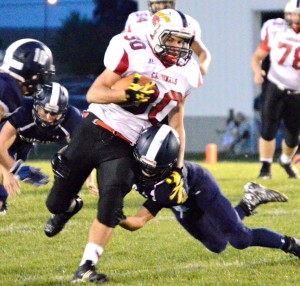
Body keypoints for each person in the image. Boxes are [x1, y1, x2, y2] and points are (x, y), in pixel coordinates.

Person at [44, 8, 201, 283]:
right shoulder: (132, 50)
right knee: (55, 203)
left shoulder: (187, 71)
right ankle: (68, 208)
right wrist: (123, 94)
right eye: (172, 39)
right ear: (155, 34)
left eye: (182, 41)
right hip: (95, 127)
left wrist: (177, 169)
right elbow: (94, 93)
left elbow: (177, 123)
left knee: (112, 202)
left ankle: (86, 267)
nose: (178, 47)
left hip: (128, 144)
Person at [118, 124, 300, 261]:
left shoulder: (171, 183)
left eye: (153, 169)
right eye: (143, 166)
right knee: (218, 244)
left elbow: (141, 218)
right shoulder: (129, 167)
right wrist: (116, 217)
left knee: (240, 238)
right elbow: (137, 221)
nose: (145, 172)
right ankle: (249, 202)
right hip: (181, 205)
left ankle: (292, 244)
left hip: (201, 188)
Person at [0, 82, 83, 215]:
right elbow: (1, 146)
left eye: (54, 113)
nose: (49, 118)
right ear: (37, 105)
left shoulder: (73, 119)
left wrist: (88, 180)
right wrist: (9, 171)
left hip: (25, 140)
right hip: (6, 133)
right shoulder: (22, 109)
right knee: (5, 168)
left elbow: (81, 153)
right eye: (46, 111)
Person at [0, 38, 55, 212]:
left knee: (16, 136)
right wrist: (15, 169)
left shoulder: (6, 83)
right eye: (41, 72)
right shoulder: (9, 90)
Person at [251, 0, 300, 179]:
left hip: (297, 93)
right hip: (275, 85)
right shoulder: (275, 31)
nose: (296, 19)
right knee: (268, 128)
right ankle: (265, 167)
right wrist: (257, 71)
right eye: (294, 14)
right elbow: (257, 57)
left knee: (294, 136)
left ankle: (286, 160)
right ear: (287, 15)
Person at [123, 0, 211, 76]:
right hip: (140, 68)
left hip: (169, 72)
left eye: (165, 2)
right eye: (158, 2)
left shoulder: (185, 22)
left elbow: (202, 52)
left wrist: (203, 66)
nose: (162, 6)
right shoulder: (136, 19)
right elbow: (121, 41)